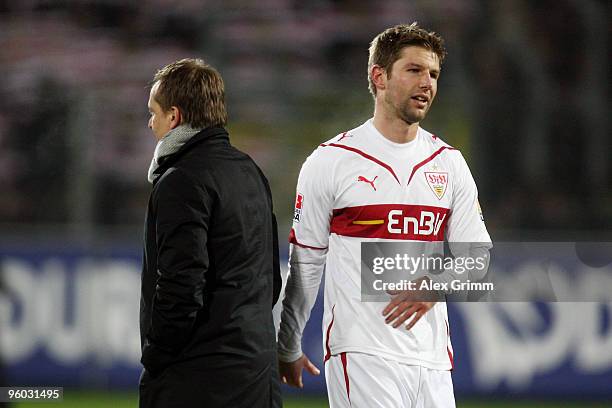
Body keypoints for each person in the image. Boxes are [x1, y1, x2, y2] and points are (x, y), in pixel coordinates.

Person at [277, 23, 492, 407]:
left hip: (433, 361)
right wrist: (288, 343)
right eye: (414, 70)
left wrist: (433, 285)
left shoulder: (450, 163)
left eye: (434, 74)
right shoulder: (331, 161)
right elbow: (306, 262)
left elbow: (477, 257)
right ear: (379, 76)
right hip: (361, 352)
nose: (427, 82)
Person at [139, 58, 282, 408]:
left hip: (200, 379)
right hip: (258, 374)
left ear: (174, 117)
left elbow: (181, 286)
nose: (150, 123)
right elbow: (271, 280)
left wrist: (157, 356)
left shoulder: (181, 180)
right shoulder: (249, 171)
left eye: (153, 113)